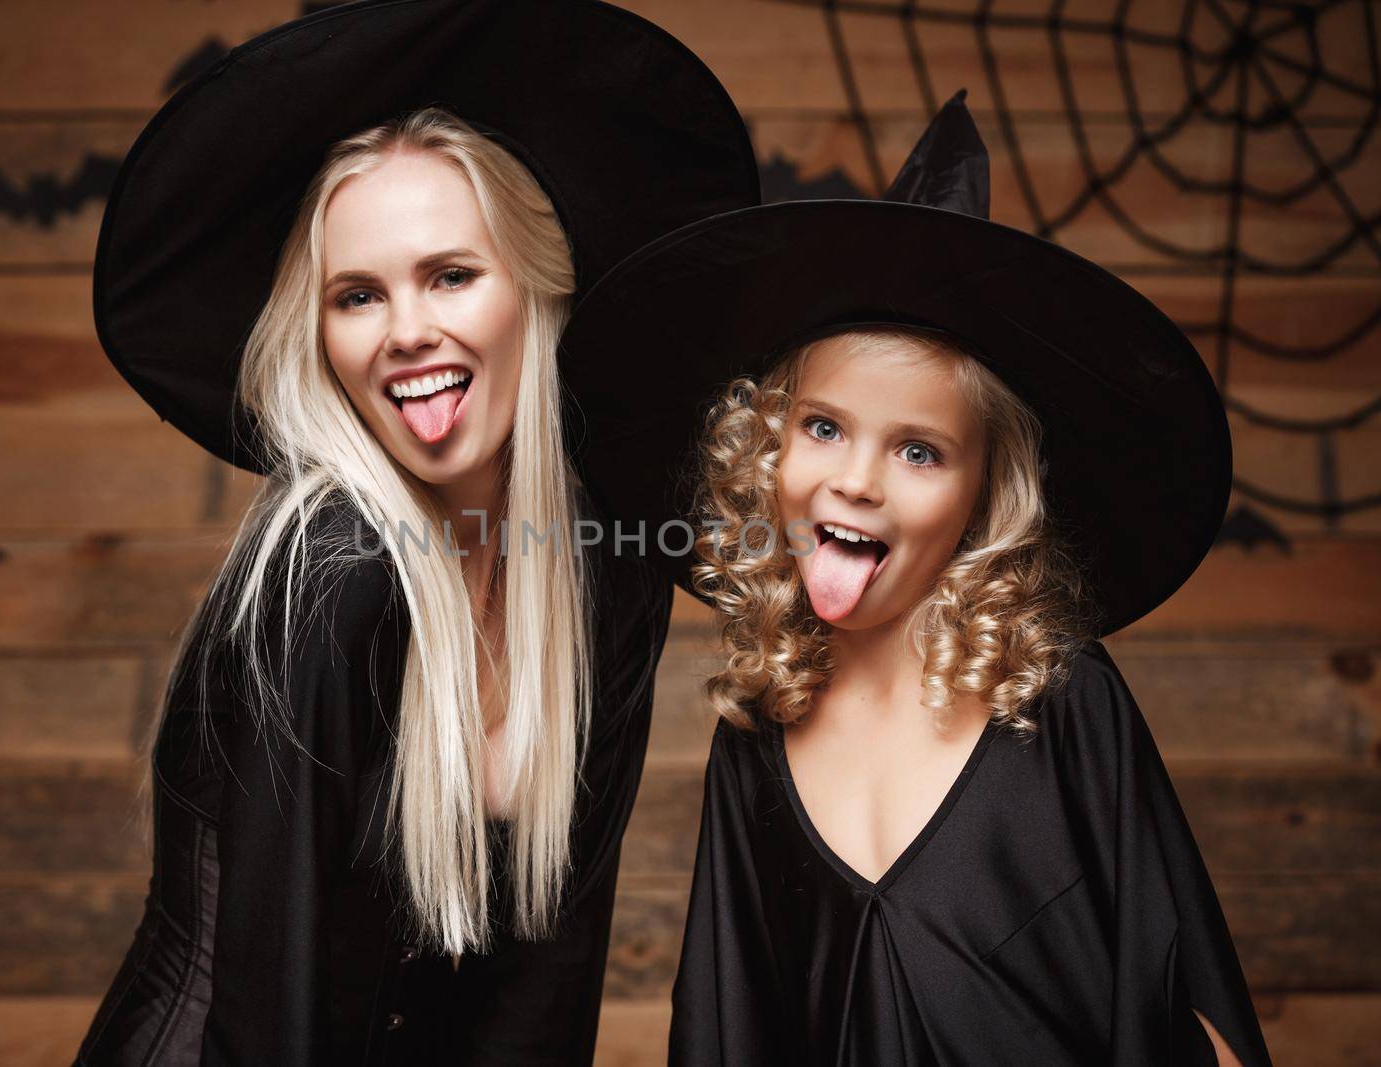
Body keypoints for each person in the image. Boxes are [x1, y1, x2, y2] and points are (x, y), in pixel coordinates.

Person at [73, 1, 759, 1063]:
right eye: (357, 295)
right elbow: (272, 1014)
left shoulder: (603, 568)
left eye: (450, 274)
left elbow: (548, 966)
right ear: (320, 334)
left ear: (538, 289)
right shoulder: (328, 578)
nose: (406, 332)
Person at [559, 92, 1274, 1065]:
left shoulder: (1057, 698)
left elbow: (1183, 1000)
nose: (855, 478)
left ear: (987, 493)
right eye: (822, 427)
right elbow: (725, 1029)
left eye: (919, 450)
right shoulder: (761, 730)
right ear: (764, 444)